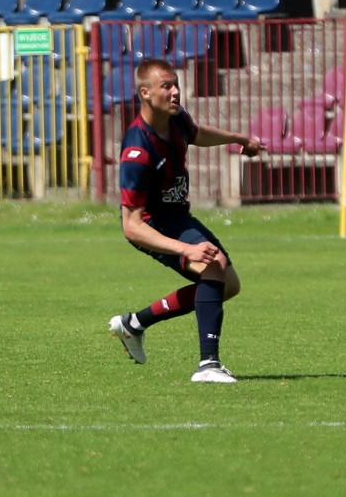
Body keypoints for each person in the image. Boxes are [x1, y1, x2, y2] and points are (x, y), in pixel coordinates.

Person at [108, 59, 265, 383]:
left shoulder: (176, 118)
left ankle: (133, 324)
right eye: (167, 86)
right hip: (153, 226)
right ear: (146, 93)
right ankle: (208, 365)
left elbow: (196, 134)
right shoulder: (137, 152)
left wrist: (237, 138)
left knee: (228, 286)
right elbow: (132, 226)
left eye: (176, 83)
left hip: (178, 217)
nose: (176, 91)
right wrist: (185, 250)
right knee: (213, 266)